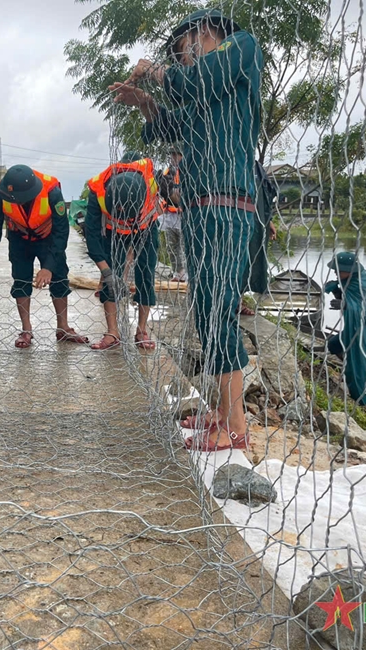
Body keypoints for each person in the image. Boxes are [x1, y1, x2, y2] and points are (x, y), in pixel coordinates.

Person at [109, 8, 263, 451]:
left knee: (219, 311)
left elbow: (197, 82)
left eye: (184, 52)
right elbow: (169, 127)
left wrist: (156, 73)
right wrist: (144, 103)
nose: (183, 62)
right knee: (205, 311)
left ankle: (235, 427)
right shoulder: (207, 98)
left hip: (226, 202)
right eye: (177, 57)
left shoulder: (241, 47)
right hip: (198, 206)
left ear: (205, 33)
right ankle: (221, 409)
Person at [0, 165, 88, 348]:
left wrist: (48, 267)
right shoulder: (2, 193)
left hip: (48, 238)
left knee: (59, 279)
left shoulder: (52, 191)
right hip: (19, 238)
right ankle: (26, 330)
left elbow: (61, 231)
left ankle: (63, 328)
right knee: (21, 280)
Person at [84, 161, 161, 351]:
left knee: (146, 274)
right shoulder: (98, 190)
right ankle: (112, 333)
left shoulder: (153, 184)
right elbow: (91, 236)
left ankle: (141, 330)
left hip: (145, 228)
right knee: (111, 278)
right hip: (113, 233)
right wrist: (107, 272)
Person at [324, 252, 366, 404]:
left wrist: (346, 305)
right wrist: (337, 292)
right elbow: (350, 298)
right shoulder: (349, 280)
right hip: (353, 327)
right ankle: (349, 365)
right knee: (333, 345)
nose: (335, 271)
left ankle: (361, 395)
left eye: (338, 269)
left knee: (364, 359)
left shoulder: (364, 283)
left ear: (350, 270)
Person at [238, 161, 279, 315]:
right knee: (235, 259)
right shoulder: (231, 162)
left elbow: (264, 198)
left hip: (256, 222)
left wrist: (268, 221)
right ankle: (228, 302)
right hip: (235, 220)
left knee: (251, 260)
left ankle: (238, 302)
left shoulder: (256, 168)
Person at [158, 149, 186, 283]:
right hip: (169, 213)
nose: (173, 158)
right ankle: (177, 272)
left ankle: (185, 274)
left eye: (176, 155)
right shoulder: (167, 172)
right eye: (172, 155)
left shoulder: (188, 171)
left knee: (184, 245)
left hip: (184, 215)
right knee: (171, 246)